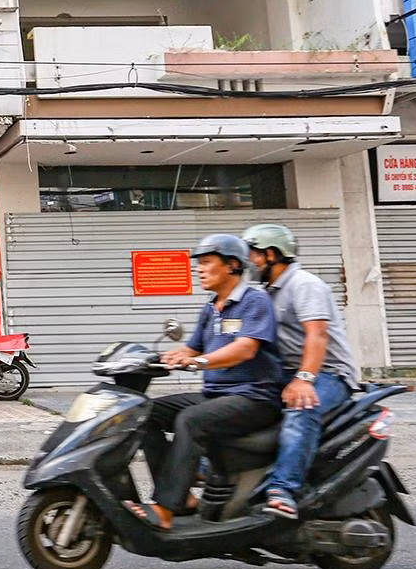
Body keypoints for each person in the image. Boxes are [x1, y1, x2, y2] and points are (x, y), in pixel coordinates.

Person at [124, 234, 283, 531]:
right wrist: (166, 357)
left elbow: (245, 349)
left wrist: (201, 362)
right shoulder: (211, 307)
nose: (199, 269)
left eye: (207, 262)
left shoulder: (254, 301)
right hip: (218, 395)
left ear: (232, 265)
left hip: (255, 398)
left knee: (190, 420)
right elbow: (192, 348)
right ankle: (183, 498)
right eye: (199, 263)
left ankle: (165, 508)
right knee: (143, 413)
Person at [242, 223, 363, 520]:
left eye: (253, 254)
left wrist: (304, 380)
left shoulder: (304, 284)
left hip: (329, 373)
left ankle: (283, 489)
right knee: (236, 402)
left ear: (271, 254)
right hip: (288, 373)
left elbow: (317, 335)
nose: (248, 262)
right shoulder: (268, 293)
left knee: (301, 408)